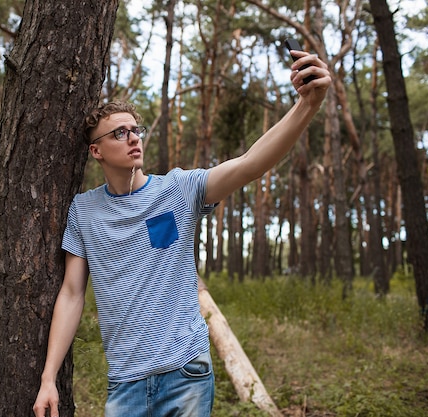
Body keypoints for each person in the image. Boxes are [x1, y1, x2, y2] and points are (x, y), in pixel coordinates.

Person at [33, 50, 331, 417]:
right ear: (96, 151)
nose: (132, 138)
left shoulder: (177, 190)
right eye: (119, 133)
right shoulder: (84, 210)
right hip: (125, 382)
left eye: (135, 130)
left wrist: (308, 105)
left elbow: (250, 164)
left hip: (186, 371)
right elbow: (72, 293)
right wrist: (49, 378)